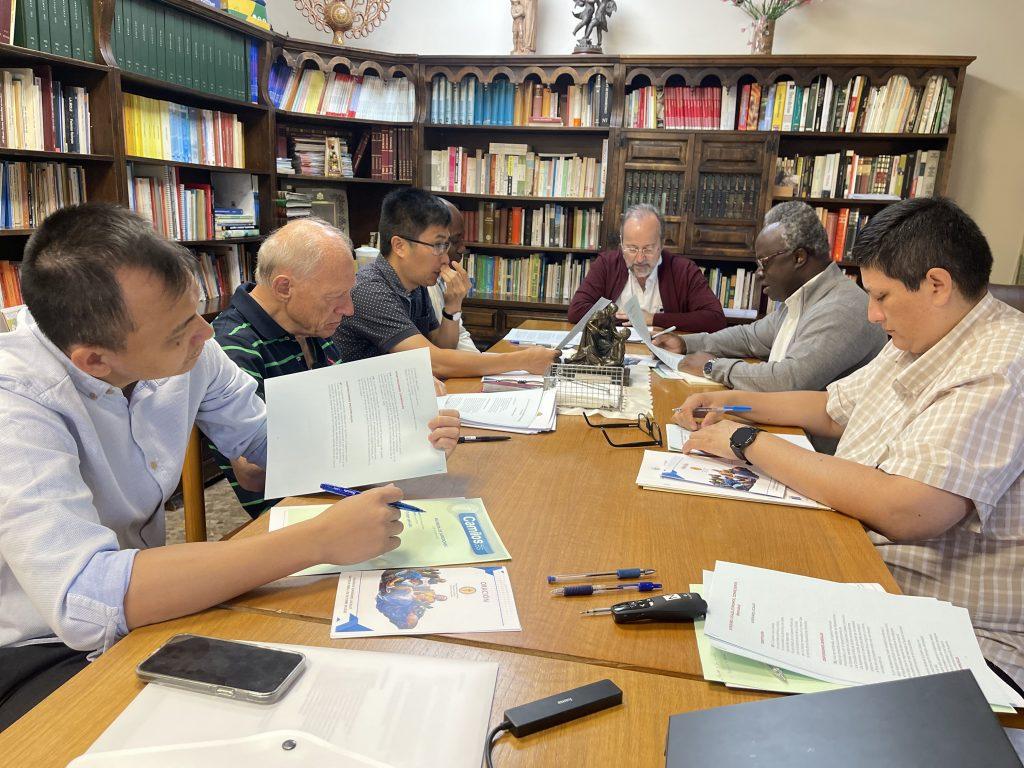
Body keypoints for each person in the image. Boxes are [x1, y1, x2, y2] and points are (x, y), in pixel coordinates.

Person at [0, 204, 461, 730]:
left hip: (149, 605)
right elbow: (84, 597)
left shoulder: (190, 346)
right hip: (37, 647)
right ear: (96, 361)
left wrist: (402, 435)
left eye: (196, 311)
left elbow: (269, 441)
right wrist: (317, 540)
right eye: (180, 330)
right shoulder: (17, 406)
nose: (206, 333)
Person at [673, 197, 1024, 694]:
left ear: (937, 285)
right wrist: (731, 401)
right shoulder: (925, 336)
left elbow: (909, 509)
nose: (872, 314)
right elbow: (831, 409)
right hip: (861, 568)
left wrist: (747, 439)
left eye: (881, 296)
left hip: (952, 633)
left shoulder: (1001, 363)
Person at [210, 218, 455, 518]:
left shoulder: (309, 324)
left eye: (348, 293)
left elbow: (340, 414)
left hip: (341, 489)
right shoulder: (231, 345)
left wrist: (410, 413)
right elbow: (252, 472)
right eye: (335, 296)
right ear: (284, 287)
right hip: (294, 510)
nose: (348, 309)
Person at [653, 201, 887, 390]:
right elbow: (748, 338)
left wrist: (712, 367)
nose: (758, 273)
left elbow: (788, 380)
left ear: (798, 257)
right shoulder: (800, 299)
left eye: (764, 262)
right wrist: (685, 343)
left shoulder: (842, 307)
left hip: (808, 434)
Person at [334, 187, 561, 378]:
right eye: (438, 245)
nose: (445, 258)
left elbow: (442, 346)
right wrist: (522, 360)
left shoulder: (415, 285)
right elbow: (433, 362)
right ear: (399, 246)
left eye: (446, 246)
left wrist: (452, 307)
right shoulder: (370, 290)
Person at [568, 203, 726, 333]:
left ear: (662, 244)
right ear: (621, 243)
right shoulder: (606, 264)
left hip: (663, 353)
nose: (640, 259)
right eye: (632, 249)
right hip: (613, 351)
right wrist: (624, 318)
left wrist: (653, 319)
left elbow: (715, 319)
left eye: (648, 249)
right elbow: (577, 311)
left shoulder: (684, 270)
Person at [426, 199, 478, 353]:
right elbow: (437, 356)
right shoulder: (421, 285)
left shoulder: (439, 280)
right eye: (454, 241)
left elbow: (452, 341)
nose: (462, 248)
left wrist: (454, 306)